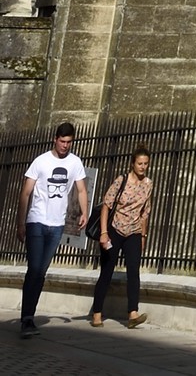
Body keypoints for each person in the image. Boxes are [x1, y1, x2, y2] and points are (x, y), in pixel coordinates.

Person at [18, 122, 88, 334]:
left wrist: (85, 212)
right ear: (55, 139)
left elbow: (81, 189)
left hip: (57, 224)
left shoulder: (75, 162)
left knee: (41, 271)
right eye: (62, 141)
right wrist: (20, 222)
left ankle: (29, 315)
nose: (65, 145)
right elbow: (26, 193)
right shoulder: (41, 161)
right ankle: (27, 318)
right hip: (37, 221)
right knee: (34, 268)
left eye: (69, 142)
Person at [89, 149, 152, 329]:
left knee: (133, 271)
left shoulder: (148, 184)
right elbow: (106, 205)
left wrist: (143, 235)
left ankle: (133, 313)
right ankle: (97, 313)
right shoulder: (121, 180)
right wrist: (103, 232)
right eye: (139, 163)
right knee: (107, 271)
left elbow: (145, 212)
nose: (142, 167)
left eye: (145, 164)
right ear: (133, 163)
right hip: (114, 229)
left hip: (134, 231)